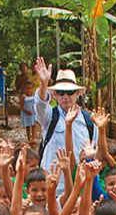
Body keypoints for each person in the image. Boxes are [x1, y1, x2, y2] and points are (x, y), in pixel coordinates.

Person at [32, 58, 97, 195]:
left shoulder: (89, 121)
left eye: (70, 92)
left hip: (80, 184)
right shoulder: (50, 117)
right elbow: (40, 105)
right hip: (53, 184)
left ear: (78, 94)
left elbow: (95, 152)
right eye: (61, 92)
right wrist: (44, 84)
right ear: (54, 95)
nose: (65, 97)